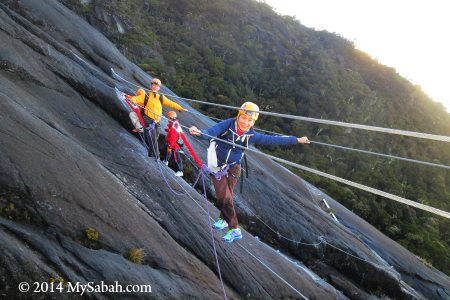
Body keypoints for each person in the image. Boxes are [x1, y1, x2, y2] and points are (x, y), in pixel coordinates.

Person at [189, 102, 310, 243]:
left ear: (254, 122)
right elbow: (210, 133)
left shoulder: (252, 135)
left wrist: (296, 140)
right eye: (244, 118)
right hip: (218, 167)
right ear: (238, 116)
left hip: (234, 168)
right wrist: (199, 132)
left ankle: (229, 225)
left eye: (250, 120)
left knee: (227, 197)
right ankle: (230, 225)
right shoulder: (227, 125)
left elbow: (273, 139)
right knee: (223, 198)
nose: (246, 123)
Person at [129, 78, 188, 159]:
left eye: (156, 85)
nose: (154, 86)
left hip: (157, 121)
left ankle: (151, 153)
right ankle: (157, 155)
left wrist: (180, 108)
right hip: (148, 119)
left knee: (155, 138)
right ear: (151, 86)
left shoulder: (161, 97)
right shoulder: (146, 95)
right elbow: (135, 98)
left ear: (159, 88)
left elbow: (171, 103)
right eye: (153, 84)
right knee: (152, 137)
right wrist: (133, 100)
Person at [164, 111, 184, 177]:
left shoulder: (173, 126)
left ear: (171, 118)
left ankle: (180, 171)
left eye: (169, 118)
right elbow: (173, 132)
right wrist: (167, 130)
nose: (168, 119)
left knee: (176, 157)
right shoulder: (174, 124)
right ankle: (166, 161)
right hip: (174, 143)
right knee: (168, 152)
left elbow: (173, 137)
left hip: (175, 145)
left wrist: (170, 146)